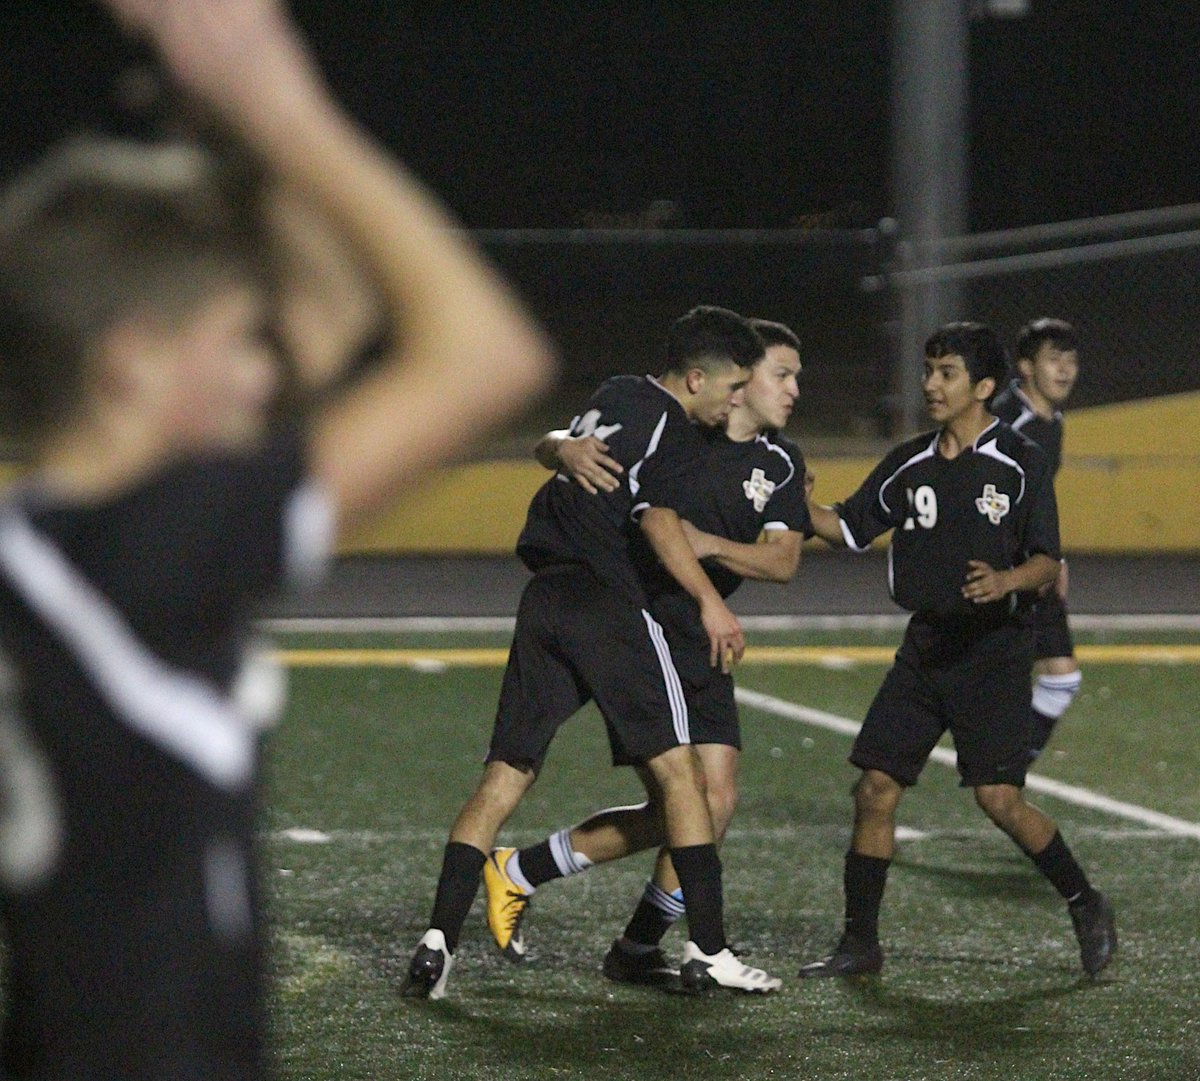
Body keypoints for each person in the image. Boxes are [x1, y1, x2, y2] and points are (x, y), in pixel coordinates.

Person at [0, 2, 555, 1079]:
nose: (269, 371)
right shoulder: (138, 557)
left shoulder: (60, 542)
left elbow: (337, 305)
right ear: (129, 365)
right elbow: (487, 353)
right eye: (233, 343)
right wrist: (277, 99)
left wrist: (230, 130)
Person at [404, 306, 783, 999]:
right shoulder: (672, 426)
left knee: (504, 775)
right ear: (696, 377)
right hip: (607, 603)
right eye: (731, 388)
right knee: (682, 778)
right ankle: (711, 947)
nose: (735, 402)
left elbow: (561, 445)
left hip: (543, 598)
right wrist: (709, 599)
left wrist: (555, 445)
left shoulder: (617, 392)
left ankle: (435, 942)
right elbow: (658, 519)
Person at [796, 322, 1116, 980]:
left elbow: (1046, 559)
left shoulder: (1020, 459)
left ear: (985, 387)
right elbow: (848, 525)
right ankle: (861, 944)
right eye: (929, 370)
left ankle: (1085, 902)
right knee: (875, 786)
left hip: (995, 649)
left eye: (945, 373)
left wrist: (1006, 580)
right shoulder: (909, 460)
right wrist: (791, 498)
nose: (930, 384)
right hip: (927, 648)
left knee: (998, 798)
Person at [991, 318, 1082, 760]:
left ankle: (1005, 766)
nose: (1064, 369)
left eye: (1070, 360)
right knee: (980, 680)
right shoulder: (1007, 422)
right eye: (1053, 359)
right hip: (1000, 570)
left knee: (1059, 679)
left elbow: (1040, 500)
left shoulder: (1052, 421)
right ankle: (1000, 768)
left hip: (1030, 569)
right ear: (1026, 367)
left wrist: (1054, 559)